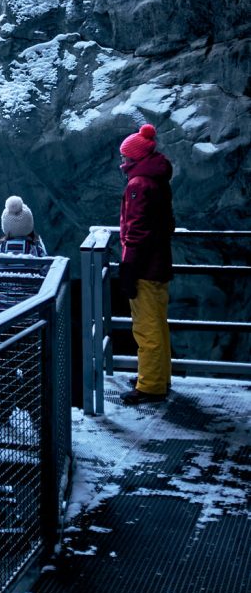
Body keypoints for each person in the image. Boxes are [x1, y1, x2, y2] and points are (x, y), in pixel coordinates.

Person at [118, 124, 175, 405]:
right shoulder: (158, 180)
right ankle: (158, 376)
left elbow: (135, 231)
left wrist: (128, 268)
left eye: (126, 157)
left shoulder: (139, 184)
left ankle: (150, 386)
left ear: (136, 158)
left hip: (145, 268)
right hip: (159, 263)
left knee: (146, 328)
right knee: (158, 325)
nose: (123, 162)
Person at [0, 196, 47, 425]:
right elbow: (45, 281)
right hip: (30, 324)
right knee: (32, 369)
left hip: (5, 323)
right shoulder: (36, 252)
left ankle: (2, 412)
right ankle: (37, 414)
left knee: (4, 370)